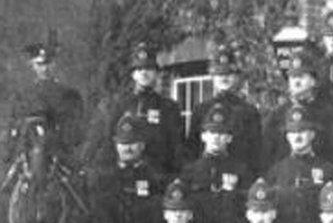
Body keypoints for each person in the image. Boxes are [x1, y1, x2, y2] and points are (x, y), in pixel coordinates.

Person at [102, 42, 183, 175]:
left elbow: (176, 148)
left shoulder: (169, 108)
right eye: (139, 69)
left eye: (149, 68)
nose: (144, 73)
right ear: (133, 74)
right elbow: (109, 142)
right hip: (126, 176)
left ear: (156, 73)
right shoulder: (119, 105)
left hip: (159, 176)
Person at [180, 103, 251, 223]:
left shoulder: (241, 170)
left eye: (222, 133)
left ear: (229, 138)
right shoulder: (190, 171)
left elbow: (246, 208)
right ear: (203, 136)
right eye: (211, 132)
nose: (216, 138)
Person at [265, 105, 333, 223]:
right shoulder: (276, 172)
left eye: (302, 131)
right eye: (293, 132)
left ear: (312, 134)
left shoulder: (328, 170)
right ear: (287, 137)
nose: (297, 137)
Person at [262, 46, 333, 170]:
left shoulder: (329, 114)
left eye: (301, 77)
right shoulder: (276, 116)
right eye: (293, 77)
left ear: (313, 81)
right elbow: (267, 155)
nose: (296, 82)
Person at [186, 44, 262, 175]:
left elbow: (256, 151)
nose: (224, 78)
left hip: (239, 174)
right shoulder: (201, 109)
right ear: (213, 77)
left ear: (236, 77)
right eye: (219, 74)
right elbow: (192, 148)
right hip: (206, 174)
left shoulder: (249, 111)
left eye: (229, 73)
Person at [6, 41, 84, 167]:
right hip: (26, 157)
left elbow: (74, 130)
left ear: (55, 64)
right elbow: (14, 126)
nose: (45, 69)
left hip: (58, 155)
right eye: (40, 64)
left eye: (48, 63)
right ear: (31, 65)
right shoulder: (22, 96)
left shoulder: (69, 94)